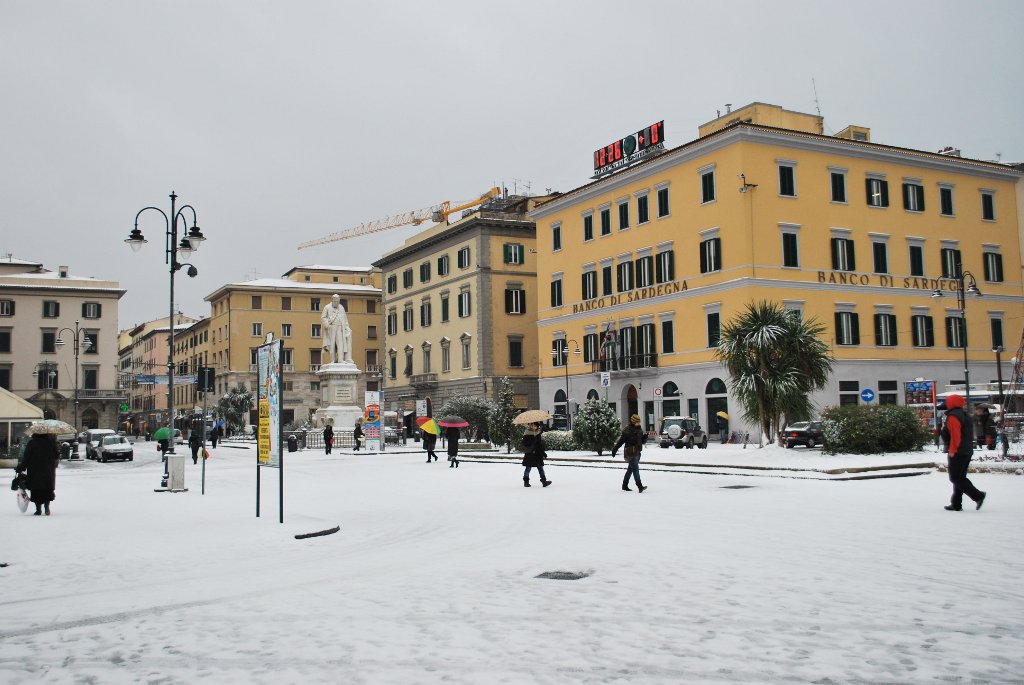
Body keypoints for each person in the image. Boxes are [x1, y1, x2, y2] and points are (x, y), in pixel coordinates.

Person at [940, 394, 986, 511]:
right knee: (960, 477)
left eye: (948, 401)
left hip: (958, 451)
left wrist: (952, 449)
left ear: (952, 403)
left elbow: (956, 435)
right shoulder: (966, 415)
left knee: (955, 477)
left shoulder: (953, 416)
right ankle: (956, 503)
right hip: (967, 450)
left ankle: (978, 495)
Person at [18, 433, 58, 516]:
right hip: (48, 470)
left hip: (34, 470)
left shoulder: (32, 443)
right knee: (47, 489)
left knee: (36, 490)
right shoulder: (51, 442)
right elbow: (56, 455)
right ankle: (47, 508)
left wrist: (21, 467)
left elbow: (26, 457)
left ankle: (38, 510)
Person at [612, 414, 647, 493]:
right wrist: (615, 449)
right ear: (633, 421)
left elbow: (641, 441)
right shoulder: (627, 430)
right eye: (637, 422)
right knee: (635, 469)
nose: (639, 423)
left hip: (637, 452)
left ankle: (624, 485)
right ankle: (640, 486)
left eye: (639, 421)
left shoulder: (639, 429)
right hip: (630, 452)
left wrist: (645, 438)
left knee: (630, 470)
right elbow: (620, 441)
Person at [320, 294, 353, 364]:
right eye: (335, 301)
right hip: (331, 328)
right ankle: (333, 360)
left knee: (340, 343)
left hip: (340, 327)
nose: (336, 303)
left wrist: (347, 328)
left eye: (338, 301)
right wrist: (328, 325)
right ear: (332, 300)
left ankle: (340, 359)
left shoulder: (341, 308)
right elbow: (323, 318)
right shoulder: (327, 307)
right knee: (332, 344)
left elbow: (345, 319)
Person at [521, 422, 551, 487]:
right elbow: (525, 443)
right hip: (530, 454)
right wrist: (532, 440)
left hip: (537, 454)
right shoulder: (527, 433)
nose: (533, 427)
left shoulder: (538, 433)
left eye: (535, 425)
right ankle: (526, 482)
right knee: (528, 468)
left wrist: (543, 453)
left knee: (540, 468)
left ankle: (544, 481)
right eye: (532, 425)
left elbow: (539, 445)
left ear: (537, 426)